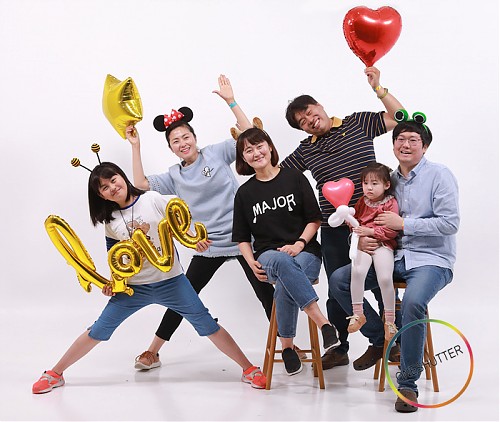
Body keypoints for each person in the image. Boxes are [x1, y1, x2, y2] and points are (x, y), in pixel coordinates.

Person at [32, 162, 267, 394]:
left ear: (122, 176)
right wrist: (113, 284)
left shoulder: (152, 199)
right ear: (100, 195)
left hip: (172, 282)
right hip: (134, 289)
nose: (112, 187)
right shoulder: (111, 221)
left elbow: (180, 222)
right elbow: (114, 258)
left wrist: (194, 239)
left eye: (113, 180)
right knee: (98, 330)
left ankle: (248, 369)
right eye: (104, 187)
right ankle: (55, 373)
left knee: (207, 324)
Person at [126, 75, 278, 371]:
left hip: (244, 239)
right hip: (208, 244)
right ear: (171, 148)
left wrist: (231, 101)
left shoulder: (217, 153)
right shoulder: (174, 175)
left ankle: (287, 344)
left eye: (185, 137)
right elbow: (141, 184)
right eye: (175, 141)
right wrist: (135, 145)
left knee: (266, 293)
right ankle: (153, 351)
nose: (182, 143)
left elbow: (251, 135)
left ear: (194, 138)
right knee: (183, 295)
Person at [329, 117, 459, 412]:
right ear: (393, 145)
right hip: (391, 254)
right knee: (339, 280)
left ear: (425, 146)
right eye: (400, 139)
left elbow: (450, 223)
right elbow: (363, 217)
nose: (406, 144)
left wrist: (404, 224)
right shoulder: (386, 179)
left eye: (413, 140)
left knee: (412, 302)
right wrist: (362, 239)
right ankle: (382, 339)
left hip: (431, 260)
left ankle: (408, 383)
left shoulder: (440, 175)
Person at [281, 66, 404, 369]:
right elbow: (274, 173)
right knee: (338, 290)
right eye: (302, 122)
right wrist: (249, 131)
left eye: (310, 113)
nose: (310, 121)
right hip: (334, 228)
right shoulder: (305, 151)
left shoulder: (358, 122)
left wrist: (379, 89)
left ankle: (395, 343)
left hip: (375, 221)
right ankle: (349, 346)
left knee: (379, 281)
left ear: (320, 106)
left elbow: (400, 118)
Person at [232, 127, 340, 376]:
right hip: (268, 256)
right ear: (243, 158)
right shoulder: (245, 193)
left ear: (270, 147)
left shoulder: (294, 177)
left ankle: (287, 347)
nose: (256, 153)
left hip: (306, 251)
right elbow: (241, 237)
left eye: (259, 146)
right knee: (281, 262)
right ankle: (323, 324)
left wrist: (299, 244)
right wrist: (251, 263)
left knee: (284, 282)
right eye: (248, 150)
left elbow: (314, 219)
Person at [348, 162, 399, 341]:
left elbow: (392, 231)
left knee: (385, 278)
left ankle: (390, 322)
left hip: (383, 244)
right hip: (364, 245)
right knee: (357, 271)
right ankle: (358, 313)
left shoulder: (390, 203)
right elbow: (355, 222)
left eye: (374, 183)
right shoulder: (362, 202)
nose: (369, 187)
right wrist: (351, 223)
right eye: (365, 183)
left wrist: (370, 231)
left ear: (386, 185)